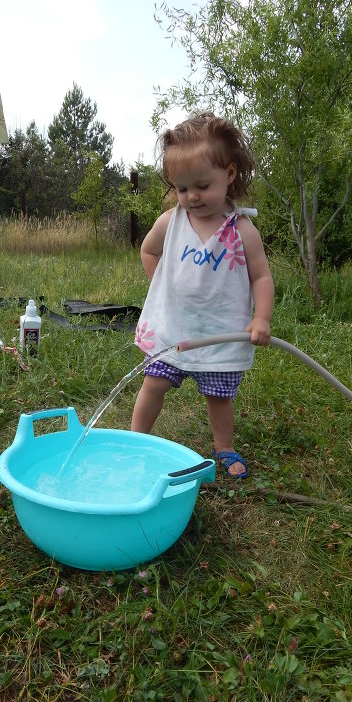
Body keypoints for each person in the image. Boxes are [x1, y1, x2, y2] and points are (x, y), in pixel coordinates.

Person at [131, 112, 275, 479]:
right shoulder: (171, 221)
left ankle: (223, 447)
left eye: (201, 185)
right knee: (154, 383)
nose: (191, 197)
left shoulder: (242, 230)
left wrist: (261, 318)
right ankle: (135, 441)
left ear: (228, 175)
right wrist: (160, 287)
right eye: (181, 188)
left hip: (220, 331)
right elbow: (149, 251)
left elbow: (261, 277)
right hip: (174, 329)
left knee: (219, 395)